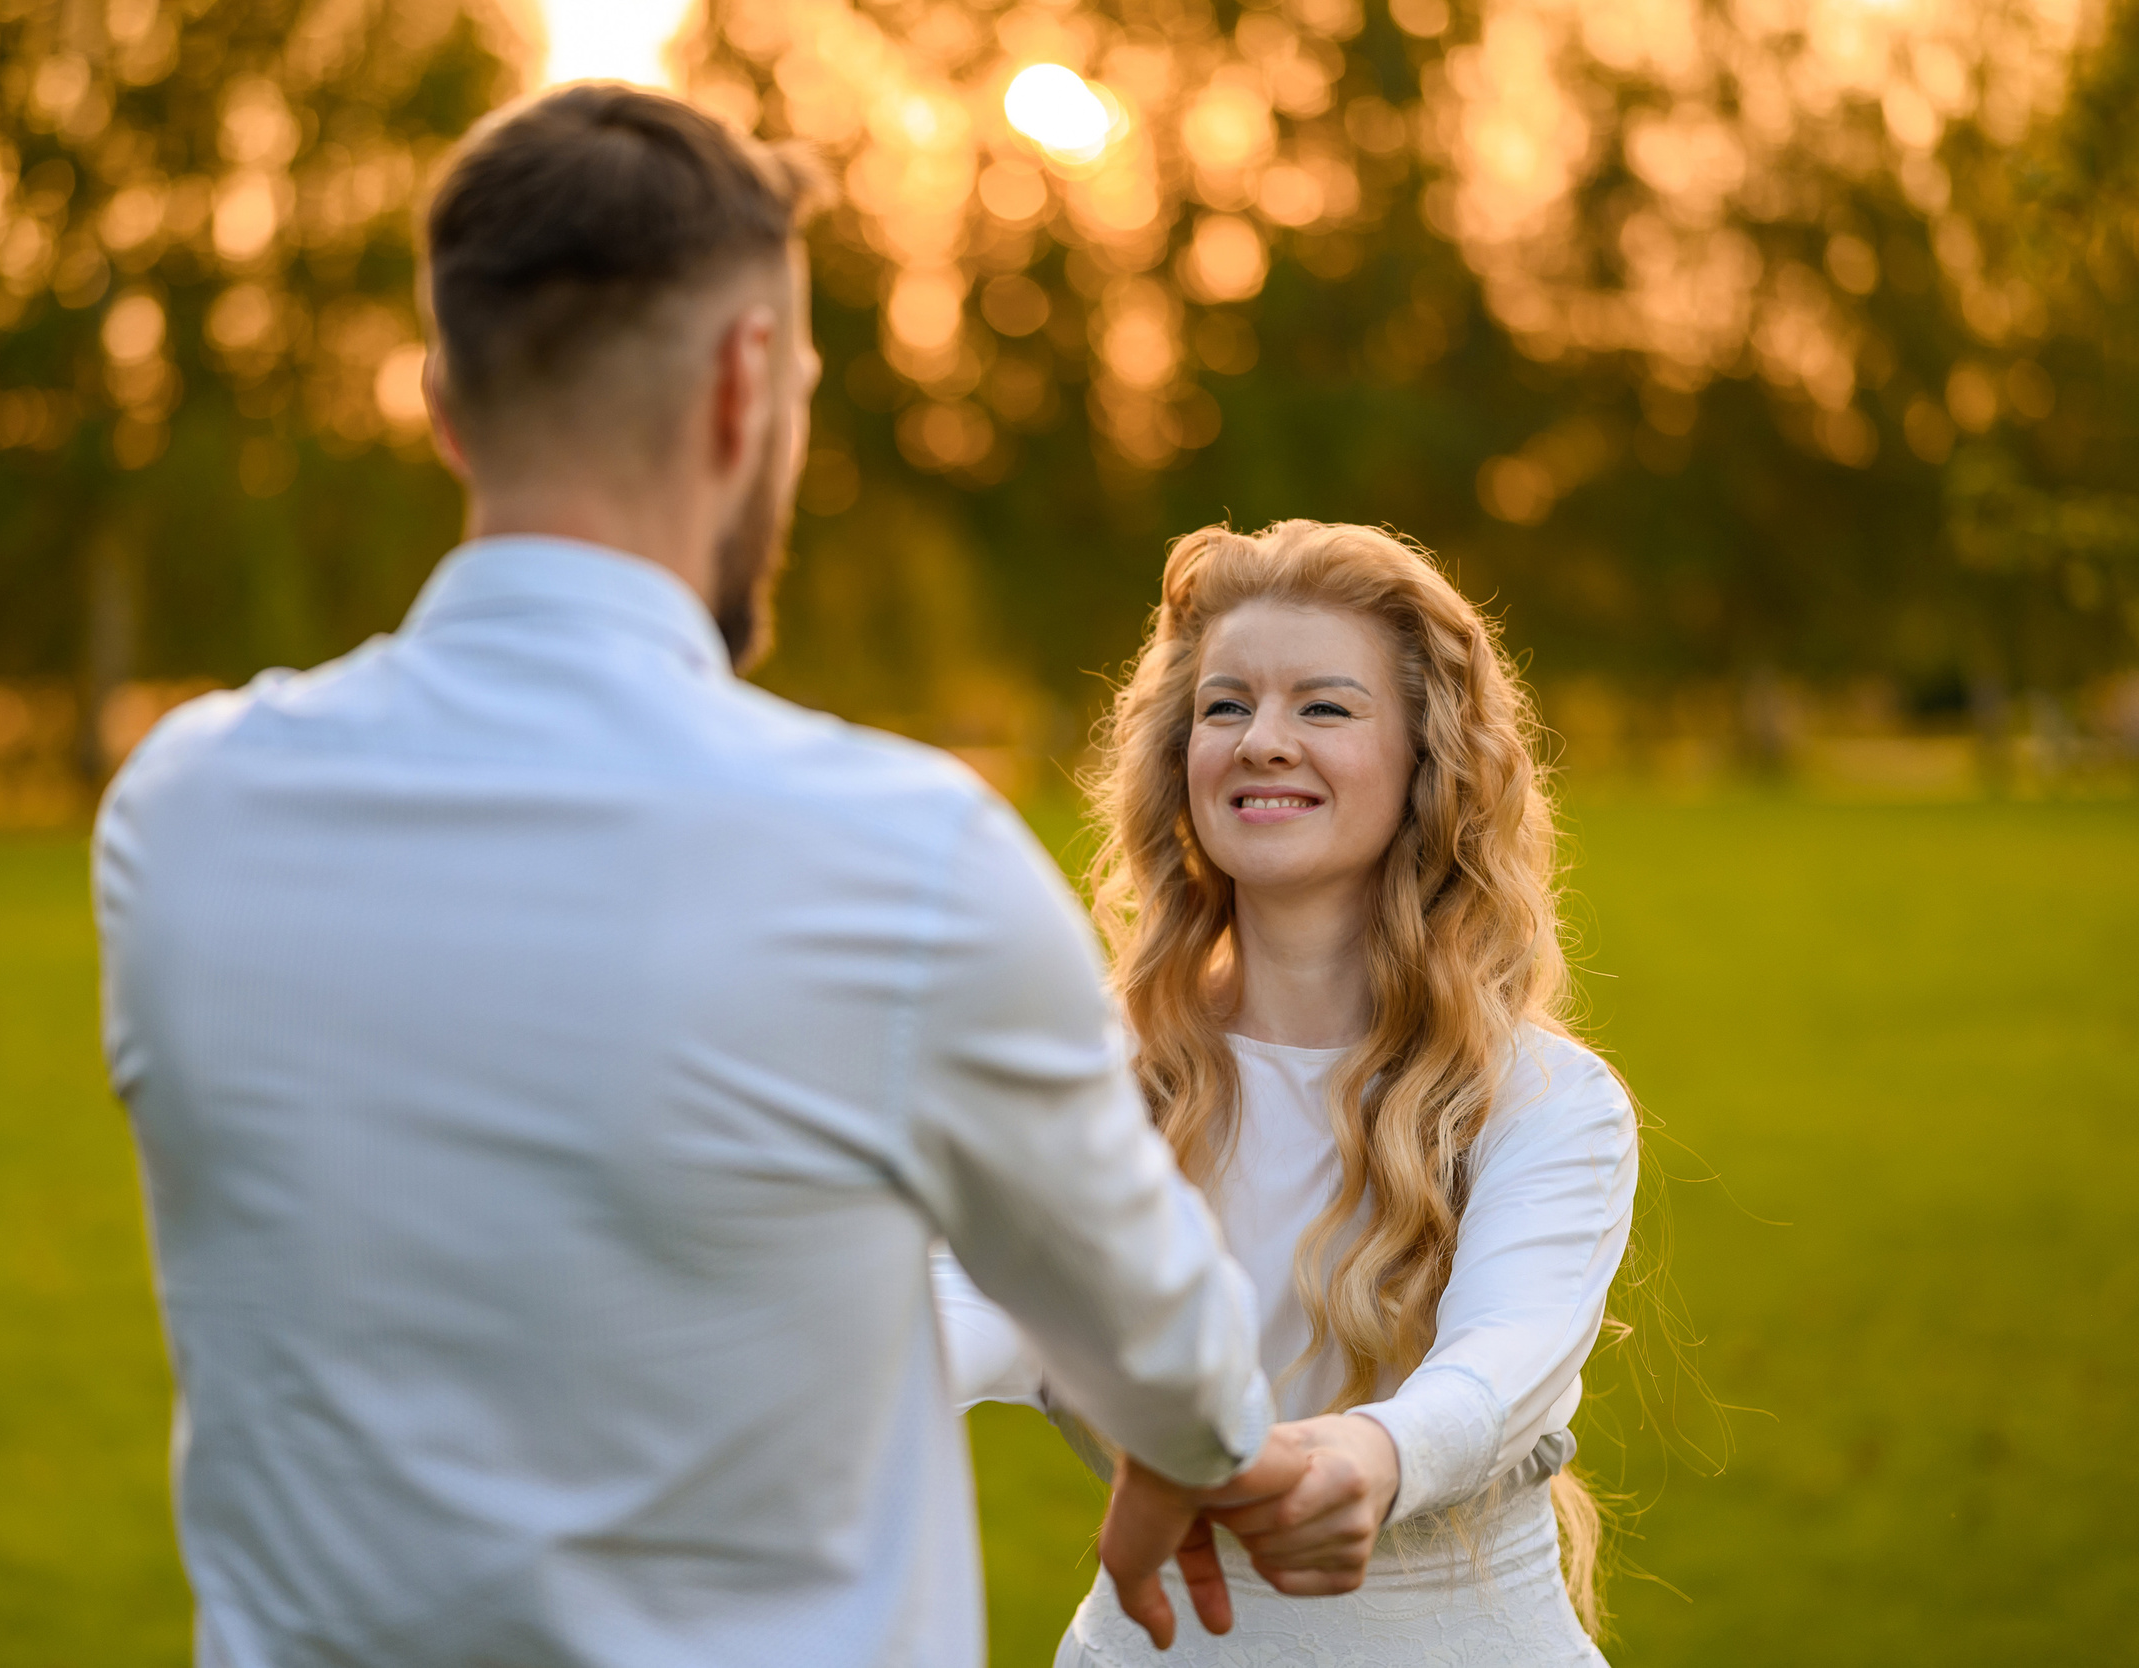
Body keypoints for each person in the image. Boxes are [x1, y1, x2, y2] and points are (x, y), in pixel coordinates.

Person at [93, 84, 1314, 1668]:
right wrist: (1192, 1438)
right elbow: (1175, 1352)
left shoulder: (183, 814)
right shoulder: (906, 860)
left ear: (445, 405)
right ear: (749, 388)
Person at [938, 520, 1642, 1665]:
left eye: (1323, 707)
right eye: (1225, 707)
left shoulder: (1549, 1103)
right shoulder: (1081, 1072)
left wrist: (1358, 1461)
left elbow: (1495, 1363)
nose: (1263, 741)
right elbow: (978, 1295)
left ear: (1429, 761)